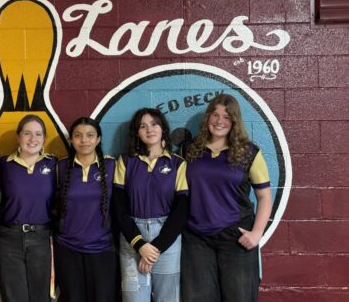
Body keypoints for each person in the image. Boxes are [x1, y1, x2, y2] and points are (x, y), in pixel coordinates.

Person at [181, 94, 272, 302]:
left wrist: (257, 233)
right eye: (215, 115)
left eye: (226, 117)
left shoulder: (249, 152)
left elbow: (264, 197)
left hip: (235, 237)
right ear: (207, 118)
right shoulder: (190, 149)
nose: (219, 121)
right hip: (196, 239)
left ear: (234, 121)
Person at [114, 108, 189, 302]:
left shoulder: (177, 164)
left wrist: (155, 247)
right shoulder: (125, 161)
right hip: (132, 238)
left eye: (154, 124)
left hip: (166, 238)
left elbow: (181, 210)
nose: (150, 129)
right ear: (136, 132)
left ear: (163, 128)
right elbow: (119, 208)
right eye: (143, 126)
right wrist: (140, 245)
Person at [54, 117, 117, 302]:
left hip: (102, 248)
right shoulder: (61, 166)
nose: (84, 140)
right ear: (72, 140)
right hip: (68, 248)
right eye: (78, 136)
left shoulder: (112, 165)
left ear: (98, 139)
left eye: (90, 135)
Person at [0, 114, 57, 302]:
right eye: (27, 133)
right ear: (18, 136)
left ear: (44, 138)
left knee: (41, 297)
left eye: (38, 134)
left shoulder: (53, 164)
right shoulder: (4, 165)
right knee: (14, 297)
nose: (33, 139)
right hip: (9, 239)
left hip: (41, 238)